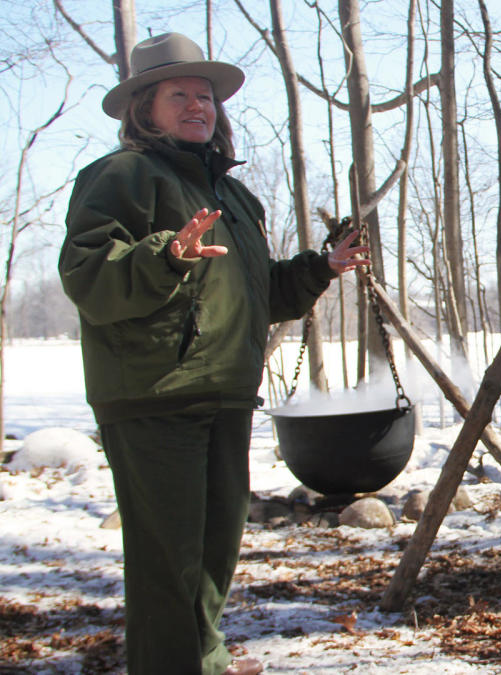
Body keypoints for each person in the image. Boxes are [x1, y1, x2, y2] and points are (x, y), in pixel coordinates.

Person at [57, 33, 368, 675]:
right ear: (145, 108)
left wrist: (320, 267)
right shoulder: (122, 176)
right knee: (170, 564)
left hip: (224, 390)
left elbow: (258, 295)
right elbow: (90, 276)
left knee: (211, 559)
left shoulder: (233, 199)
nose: (199, 105)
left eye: (206, 96)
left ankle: (203, 661)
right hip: (153, 395)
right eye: (181, 95)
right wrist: (166, 255)